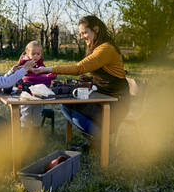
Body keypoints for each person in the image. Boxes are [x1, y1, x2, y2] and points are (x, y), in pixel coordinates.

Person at [33, 15, 130, 149]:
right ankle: (95, 140)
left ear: (96, 30)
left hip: (115, 104)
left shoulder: (106, 49)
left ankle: (101, 139)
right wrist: (91, 79)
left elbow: (79, 68)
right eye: (80, 33)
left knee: (71, 106)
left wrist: (46, 69)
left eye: (85, 32)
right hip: (102, 97)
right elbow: (107, 75)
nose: (82, 36)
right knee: (67, 105)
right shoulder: (97, 47)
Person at [17, 41, 56, 128]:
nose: (36, 56)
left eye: (38, 54)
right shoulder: (24, 61)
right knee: (26, 111)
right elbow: (17, 69)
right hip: (27, 92)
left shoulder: (40, 62)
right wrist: (29, 69)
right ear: (27, 53)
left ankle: (36, 130)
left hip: (39, 92)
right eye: (33, 53)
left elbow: (43, 71)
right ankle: (25, 130)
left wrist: (49, 74)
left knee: (38, 111)